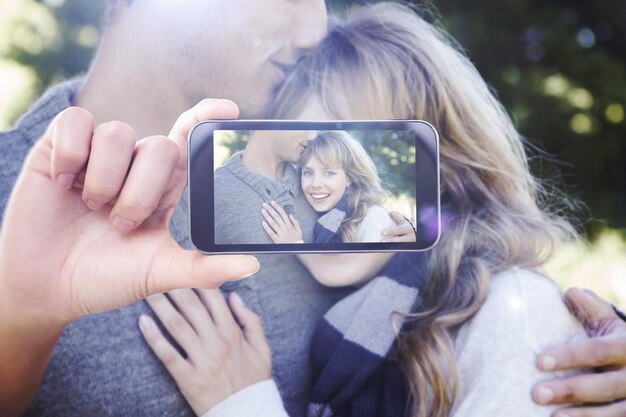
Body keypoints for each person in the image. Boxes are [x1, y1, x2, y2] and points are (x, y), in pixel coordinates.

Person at [0, 1, 625, 416]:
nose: (316, 26)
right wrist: (23, 316)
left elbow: (466, 283)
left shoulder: (333, 235)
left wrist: (572, 343)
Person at [260, 130, 397, 244]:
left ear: (349, 177)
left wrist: (296, 246)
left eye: (328, 173)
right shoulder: (322, 217)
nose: (315, 184)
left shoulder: (373, 218)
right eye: (308, 172)